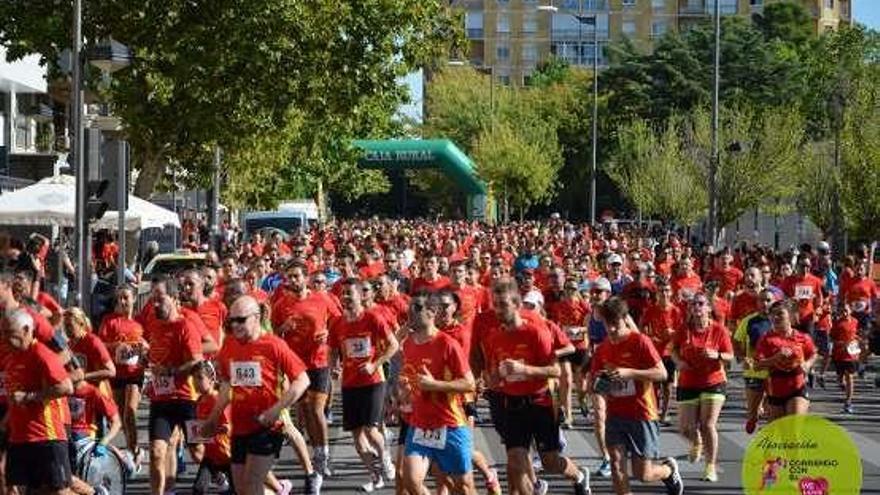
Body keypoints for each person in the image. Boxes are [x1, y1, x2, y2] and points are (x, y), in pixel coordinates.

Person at [479, 281, 591, 495]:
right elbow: (494, 375)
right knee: (517, 461)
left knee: (549, 461)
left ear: (517, 304)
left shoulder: (536, 332)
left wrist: (524, 369)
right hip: (512, 406)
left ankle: (578, 476)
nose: (498, 310)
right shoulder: (494, 338)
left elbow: (554, 371)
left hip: (540, 404)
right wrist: (491, 380)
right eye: (495, 305)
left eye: (503, 305)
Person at [204, 296, 313, 495]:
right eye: (231, 321)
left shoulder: (274, 345)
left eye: (241, 320)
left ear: (256, 317)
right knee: (242, 488)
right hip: (240, 428)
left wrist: (275, 411)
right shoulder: (229, 345)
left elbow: (303, 380)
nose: (235, 325)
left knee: (253, 484)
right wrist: (213, 417)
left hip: (267, 427)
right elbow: (228, 383)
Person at [590, 297, 683, 495]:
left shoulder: (640, 341)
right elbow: (595, 384)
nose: (612, 329)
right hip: (615, 415)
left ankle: (668, 470)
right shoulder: (603, 349)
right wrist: (600, 382)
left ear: (625, 319)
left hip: (642, 413)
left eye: (615, 324)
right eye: (608, 324)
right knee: (616, 465)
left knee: (644, 474)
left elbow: (662, 373)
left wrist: (629, 373)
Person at [400, 293, 477, 495]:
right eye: (409, 307)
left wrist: (435, 385)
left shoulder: (447, 344)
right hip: (420, 425)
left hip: (450, 424)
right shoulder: (408, 343)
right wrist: (404, 390)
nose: (410, 312)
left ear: (432, 312)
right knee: (410, 480)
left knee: (464, 487)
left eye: (416, 307)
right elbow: (409, 379)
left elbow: (469, 383)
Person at [329, 278, 399, 492]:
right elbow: (333, 350)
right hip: (350, 384)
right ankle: (375, 475)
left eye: (350, 293)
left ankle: (385, 458)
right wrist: (335, 366)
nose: (346, 297)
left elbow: (393, 345)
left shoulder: (373, 318)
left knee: (371, 430)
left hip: (373, 381)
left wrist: (374, 364)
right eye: (344, 294)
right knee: (357, 437)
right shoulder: (338, 323)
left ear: (361, 295)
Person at [271, 261, 340, 478]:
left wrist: (328, 334)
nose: (293, 281)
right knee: (306, 410)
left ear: (306, 277)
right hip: (295, 364)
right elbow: (274, 336)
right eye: (289, 277)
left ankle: (323, 455)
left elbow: (338, 323)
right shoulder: (281, 305)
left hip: (318, 360)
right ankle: (316, 451)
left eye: (297, 276)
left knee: (317, 409)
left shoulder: (322, 298)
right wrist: (283, 329)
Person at [4, 308, 74, 494]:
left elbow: (66, 387)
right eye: (3, 332)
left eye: (10, 332)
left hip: (46, 436)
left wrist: (30, 397)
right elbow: (14, 399)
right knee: (15, 490)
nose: (5, 338)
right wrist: (5, 422)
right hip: (19, 438)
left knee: (59, 491)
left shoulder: (42, 354)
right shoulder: (10, 360)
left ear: (27, 330)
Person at [147, 288, 205, 495]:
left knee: (198, 452)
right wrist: (152, 379)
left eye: (160, 301)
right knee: (156, 452)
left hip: (186, 399)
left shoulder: (185, 326)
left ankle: (223, 474)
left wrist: (171, 371)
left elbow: (197, 360)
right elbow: (156, 361)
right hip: (161, 399)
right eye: (153, 301)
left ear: (174, 299)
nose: (155, 305)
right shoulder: (154, 327)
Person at [671, 293, 733, 483]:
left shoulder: (718, 330)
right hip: (688, 381)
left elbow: (730, 355)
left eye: (700, 303)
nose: (696, 307)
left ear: (708, 308)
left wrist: (716, 355)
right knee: (684, 428)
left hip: (713, 381)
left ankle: (710, 466)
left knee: (707, 424)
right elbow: (672, 349)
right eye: (692, 304)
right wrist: (679, 361)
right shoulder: (684, 330)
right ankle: (696, 441)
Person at [97, 285, 149, 467]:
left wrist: (144, 348)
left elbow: (149, 346)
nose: (122, 301)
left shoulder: (141, 322)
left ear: (134, 299)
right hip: (116, 373)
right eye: (119, 298)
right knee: (122, 416)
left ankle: (132, 452)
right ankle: (134, 449)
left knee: (130, 412)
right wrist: (117, 347)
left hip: (135, 373)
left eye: (126, 297)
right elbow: (100, 345)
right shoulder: (109, 321)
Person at [754, 301, 817, 420]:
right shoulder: (766, 339)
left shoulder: (803, 337)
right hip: (775, 389)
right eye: (772, 314)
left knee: (794, 428)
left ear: (790, 315)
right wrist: (775, 358)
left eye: (780, 314)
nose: (775, 317)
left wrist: (808, 364)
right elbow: (757, 366)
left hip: (797, 387)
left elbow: (813, 353)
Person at [733, 289, 776, 434]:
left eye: (769, 300)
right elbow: (737, 341)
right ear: (757, 303)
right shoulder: (749, 321)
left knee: (773, 413)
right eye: (762, 300)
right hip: (754, 372)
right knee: (753, 411)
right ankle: (753, 418)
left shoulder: (780, 321)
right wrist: (742, 357)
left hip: (775, 373)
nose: (765, 304)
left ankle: (769, 441)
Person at [830, 303, 860, 414]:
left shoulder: (855, 321)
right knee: (840, 379)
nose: (844, 313)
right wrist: (840, 343)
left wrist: (858, 339)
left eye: (846, 310)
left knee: (850, 377)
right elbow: (831, 338)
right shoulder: (837, 324)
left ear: (850, 311)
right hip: (839, 354)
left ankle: (848, 402)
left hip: (851, 354)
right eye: (842, 311)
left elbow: (857, 334)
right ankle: (842, 384)